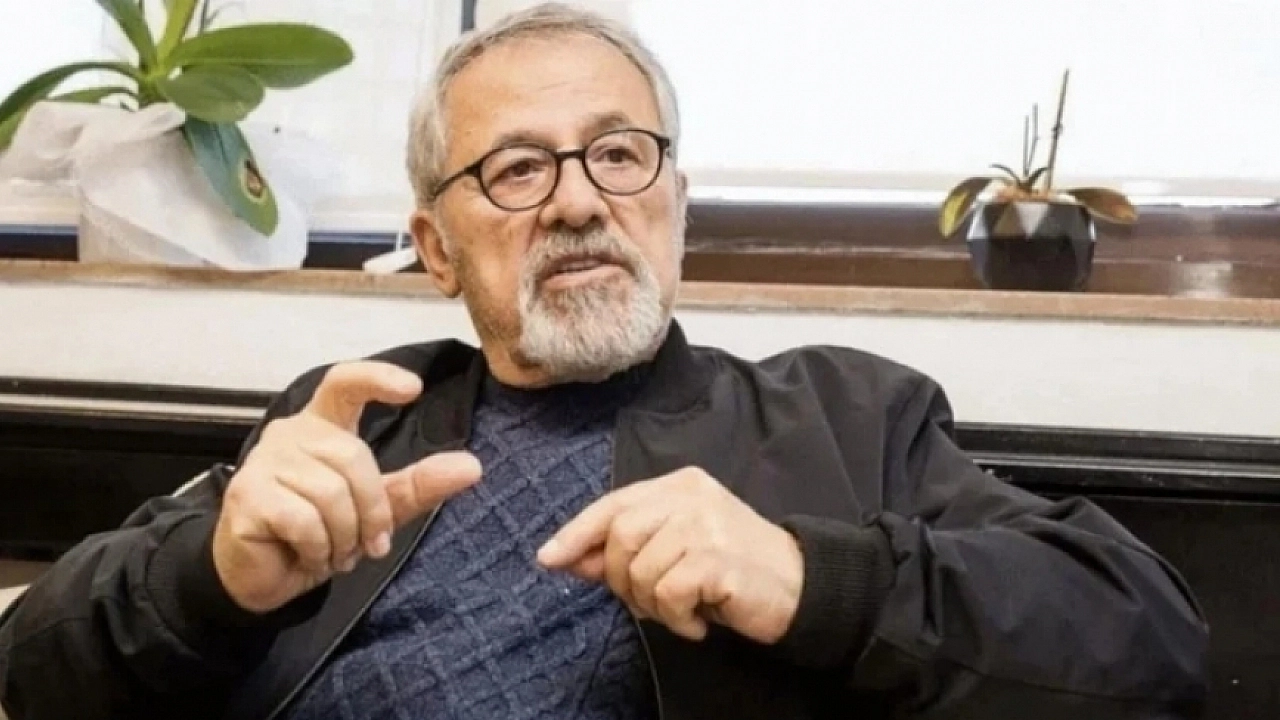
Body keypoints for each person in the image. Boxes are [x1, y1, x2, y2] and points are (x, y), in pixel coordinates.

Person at [0, 4, 1208, 719]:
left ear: (674, 205)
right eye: (517, 169)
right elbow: (34, 668)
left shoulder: (840, 416)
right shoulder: (357, 417)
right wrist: (204, 581)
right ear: (435, 247)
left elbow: (1147, 644)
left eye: (619, 154)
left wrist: (807, 579)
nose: (577, 201)